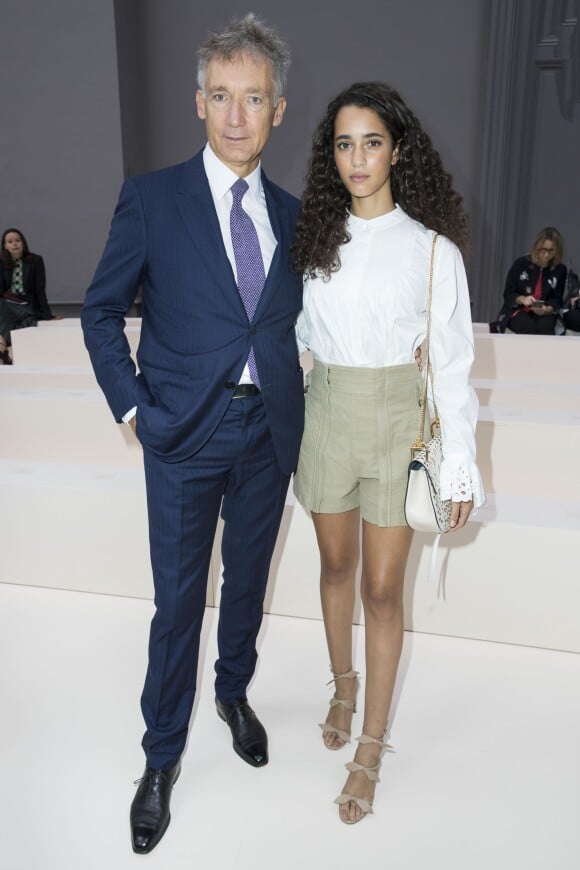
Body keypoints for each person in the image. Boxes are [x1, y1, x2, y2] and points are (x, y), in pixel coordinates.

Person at [81, 14, 303, 854]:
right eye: (222, 97)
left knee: (245, 584)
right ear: (198, 103)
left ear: (278, 109)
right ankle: (161, 756)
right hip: (181, 434)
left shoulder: (294, 212)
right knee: (178, 604)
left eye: (254, 99)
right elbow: (100, 312)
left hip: (268, 435)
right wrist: (134, 407)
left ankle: (233, 691)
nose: (237, 115)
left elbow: (301, 318)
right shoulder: (151, 197)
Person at [291, 81, 485, 824]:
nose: (358, 158)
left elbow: (454, 366)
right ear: (330, 156)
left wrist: (460, 463)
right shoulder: (316, 239)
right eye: (344, 143)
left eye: (372, 141)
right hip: (328, 415)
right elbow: (301, 337)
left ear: (398, 150)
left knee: (381, 590)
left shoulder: (432, 251)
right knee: (336, 566)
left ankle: (370, 745)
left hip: (398, 422)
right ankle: (343, 680)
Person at [0, 228, 57, 364]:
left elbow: (40, 290)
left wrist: (47, 315)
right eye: (10, 241)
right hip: (7, 304)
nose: (15, 244)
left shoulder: (35, 261)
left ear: (23, 243)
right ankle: (3, 349)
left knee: (28, 323)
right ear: (4, 246)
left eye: (18, 241)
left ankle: (3, 349)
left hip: (27, 304)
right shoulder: (1, 263)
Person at [500, 227, 567, 334]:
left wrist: (546, 309)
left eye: (551, 251)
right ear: (537, 247)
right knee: (528, 327)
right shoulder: (521, 263)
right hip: (519, 309)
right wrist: (522, 299)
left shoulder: (560, 269)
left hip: (544, 312)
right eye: (543, 250)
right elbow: (508, 294)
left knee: (545, 328)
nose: (546, 255)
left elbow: (557, 299)